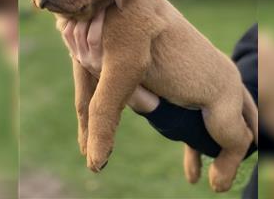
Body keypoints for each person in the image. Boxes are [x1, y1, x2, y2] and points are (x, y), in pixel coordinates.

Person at [62, 10, 258, 195]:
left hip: (218, 91)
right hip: (197, 87)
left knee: (224, 124)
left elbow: (130, 63)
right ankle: (194, 144)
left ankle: (236, 148)